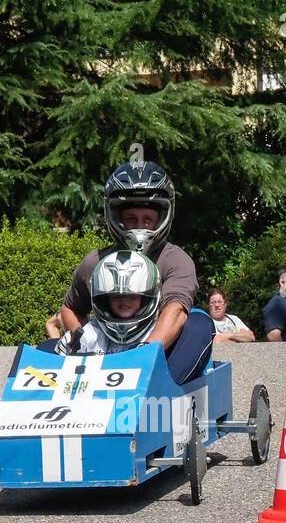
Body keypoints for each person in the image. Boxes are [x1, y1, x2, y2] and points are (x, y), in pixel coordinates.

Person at [57, 160, 212, 383]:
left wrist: (142, 357)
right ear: (115, 217)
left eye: (148, 219)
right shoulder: (95, 262)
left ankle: (162, 391)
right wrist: (83, 346)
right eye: (131, 219)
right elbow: (70, 307)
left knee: (199, 323)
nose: (140, 226)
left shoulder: (176, 260)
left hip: (158, 358)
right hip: (105, 357)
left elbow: (175, 311)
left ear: (163, 216)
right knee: (49, 348)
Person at [56, 250, 162, 355]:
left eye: (132, 296)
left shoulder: (157, 334)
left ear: (146, 299)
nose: (124, 301)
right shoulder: (92, 334)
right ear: (105, 300)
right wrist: (68, 350)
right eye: (116, 296)